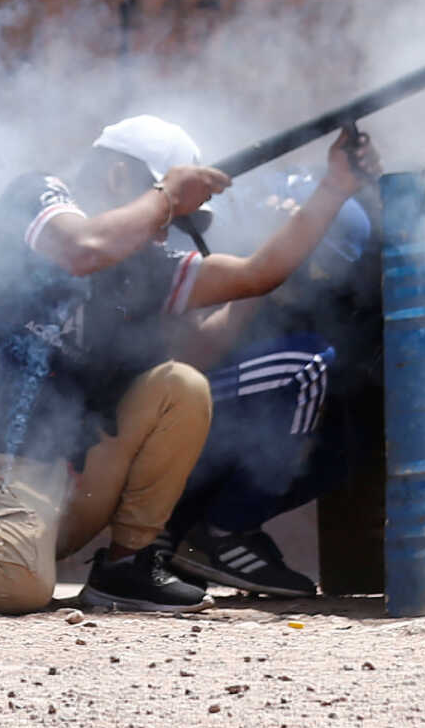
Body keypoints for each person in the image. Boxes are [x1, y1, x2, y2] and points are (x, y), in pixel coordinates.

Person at [0, 115, 378, 615]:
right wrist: (168, 196)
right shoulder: (38, 196)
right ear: (121, 176)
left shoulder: (140, 263)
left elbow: (254, 275)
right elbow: (81, 248)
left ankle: (128, 564)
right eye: (167, 217)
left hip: (73, 478)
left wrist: (333, 189)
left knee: (180, 386)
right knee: (17, 586)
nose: (163, 232)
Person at [160, 173, 376, 597]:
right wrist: (259, 272)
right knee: (306, 366)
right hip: (154, 410)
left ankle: (186, 536)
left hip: (201, 415)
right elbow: (187, 357)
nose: (311, 280)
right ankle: (224, 531)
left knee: (344, 433)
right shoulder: (199, 231)